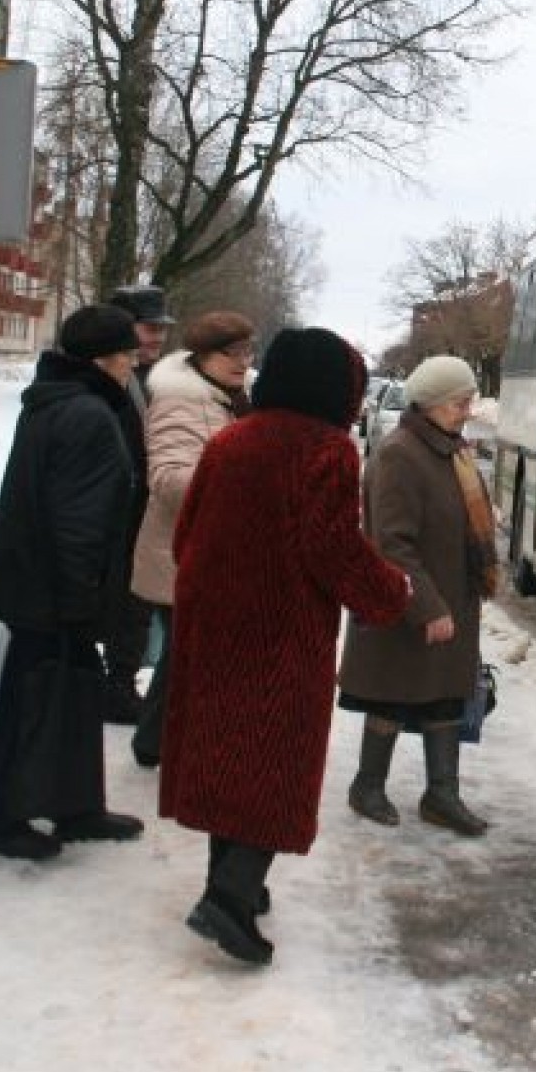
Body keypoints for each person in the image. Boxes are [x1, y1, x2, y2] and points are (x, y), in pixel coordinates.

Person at [159, 328, 411, 966]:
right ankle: (229, 902)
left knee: (228, 752)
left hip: (216, 617)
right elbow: (331, 546)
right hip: (281, 629)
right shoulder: (325, 450)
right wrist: (388, 593)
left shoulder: (233, 437)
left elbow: (186, 531)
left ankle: (234, 882)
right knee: (272, 759)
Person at [0, 305, 146, 860]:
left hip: (35, 578)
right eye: (128, 354)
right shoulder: (88, 414)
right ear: (104, 359)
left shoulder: (58, 400)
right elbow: (79, 519)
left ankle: (74, 807)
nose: (133, 364)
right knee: (37, 699)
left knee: (68, 693)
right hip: (52, 587)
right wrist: (81, 599)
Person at [339, 353, 498, 839]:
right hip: (409, 601)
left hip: (452, 597)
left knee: (445, 698)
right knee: (391, 695)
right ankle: (367, 787)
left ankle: (442, 796)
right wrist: (426, 606)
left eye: (469, 400)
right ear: (429, 403)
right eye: (460, 402)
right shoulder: (401, 454)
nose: (468, 410)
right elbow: (392, 543)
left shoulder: (450, 448)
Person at [127, 309, 256, 768]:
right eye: (232, 353)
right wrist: (243, 481)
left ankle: (159, 741)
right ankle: (162, 742)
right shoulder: (180, 400)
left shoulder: (229, 397)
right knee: (192, 654)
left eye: (247, 351)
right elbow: (167, 479)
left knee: (188, 655)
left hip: (210, 550)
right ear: (202, 356)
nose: (243, 362)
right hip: (180, 552)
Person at [98, 283, 173, 723]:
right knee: (124, 600)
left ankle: (121, 681)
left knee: (136, 602)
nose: (157, 338)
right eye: (148, 328)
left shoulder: (151, 378)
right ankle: (116, 684)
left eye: (161, 329)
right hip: (115, 510)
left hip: (140, 508)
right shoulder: (109, 381)